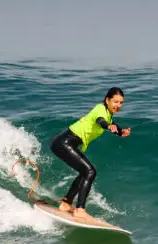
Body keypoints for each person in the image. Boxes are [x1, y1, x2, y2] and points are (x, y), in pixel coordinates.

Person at [49, 87, 131, 221]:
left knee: (85, 172)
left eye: (121, 103)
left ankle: (66, 203)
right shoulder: (100, 109)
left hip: (64, 143)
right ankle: (80, 209)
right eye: (115, 102)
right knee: (90, 171)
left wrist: (121, 132)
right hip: (63, 143)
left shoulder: (108, 115)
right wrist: (108, 126)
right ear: (107, 100)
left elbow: (111, 125)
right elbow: (101, 121)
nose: (118, 105)